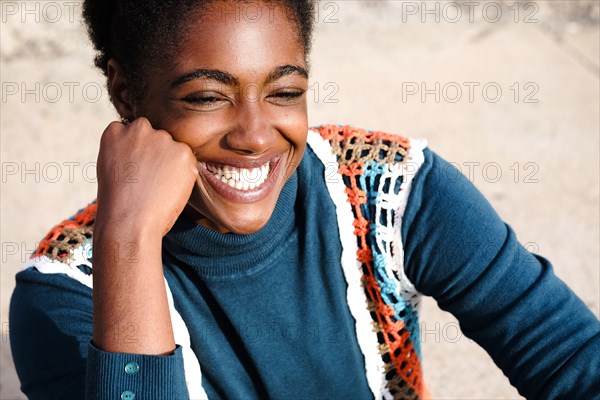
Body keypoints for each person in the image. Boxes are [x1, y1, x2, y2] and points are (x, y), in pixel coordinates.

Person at [8, 0, 600, 399]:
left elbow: (570, 356)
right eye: (208, 97)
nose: (257, 135)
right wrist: (129, 241)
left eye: (285, 90)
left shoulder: (387, 192)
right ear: (125, 91)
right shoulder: (63, 295)